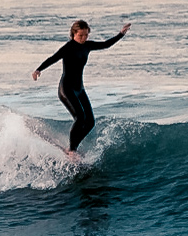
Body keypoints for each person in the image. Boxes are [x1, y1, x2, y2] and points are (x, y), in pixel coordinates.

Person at [33, 19, 130, 155]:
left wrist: (121, 34)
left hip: (79, 89)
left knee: (90, 122)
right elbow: (53, 58)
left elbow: (106, 44)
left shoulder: (87, 46)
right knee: (80, 118)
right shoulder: (68, 47)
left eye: (86, 35)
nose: (84, 38)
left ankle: (72, 147)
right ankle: (72, 150)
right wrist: (38, 70)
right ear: (73, 34)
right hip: (66, 89)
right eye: (81, 35)